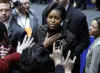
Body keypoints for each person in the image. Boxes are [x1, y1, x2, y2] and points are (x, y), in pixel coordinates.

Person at [42, 0, 90, 73]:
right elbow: (44, 32)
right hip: (47, 63)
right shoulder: (47, 11)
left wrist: (71, 53)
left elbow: (85, 41)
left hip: (68, 64)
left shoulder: (79, 17)